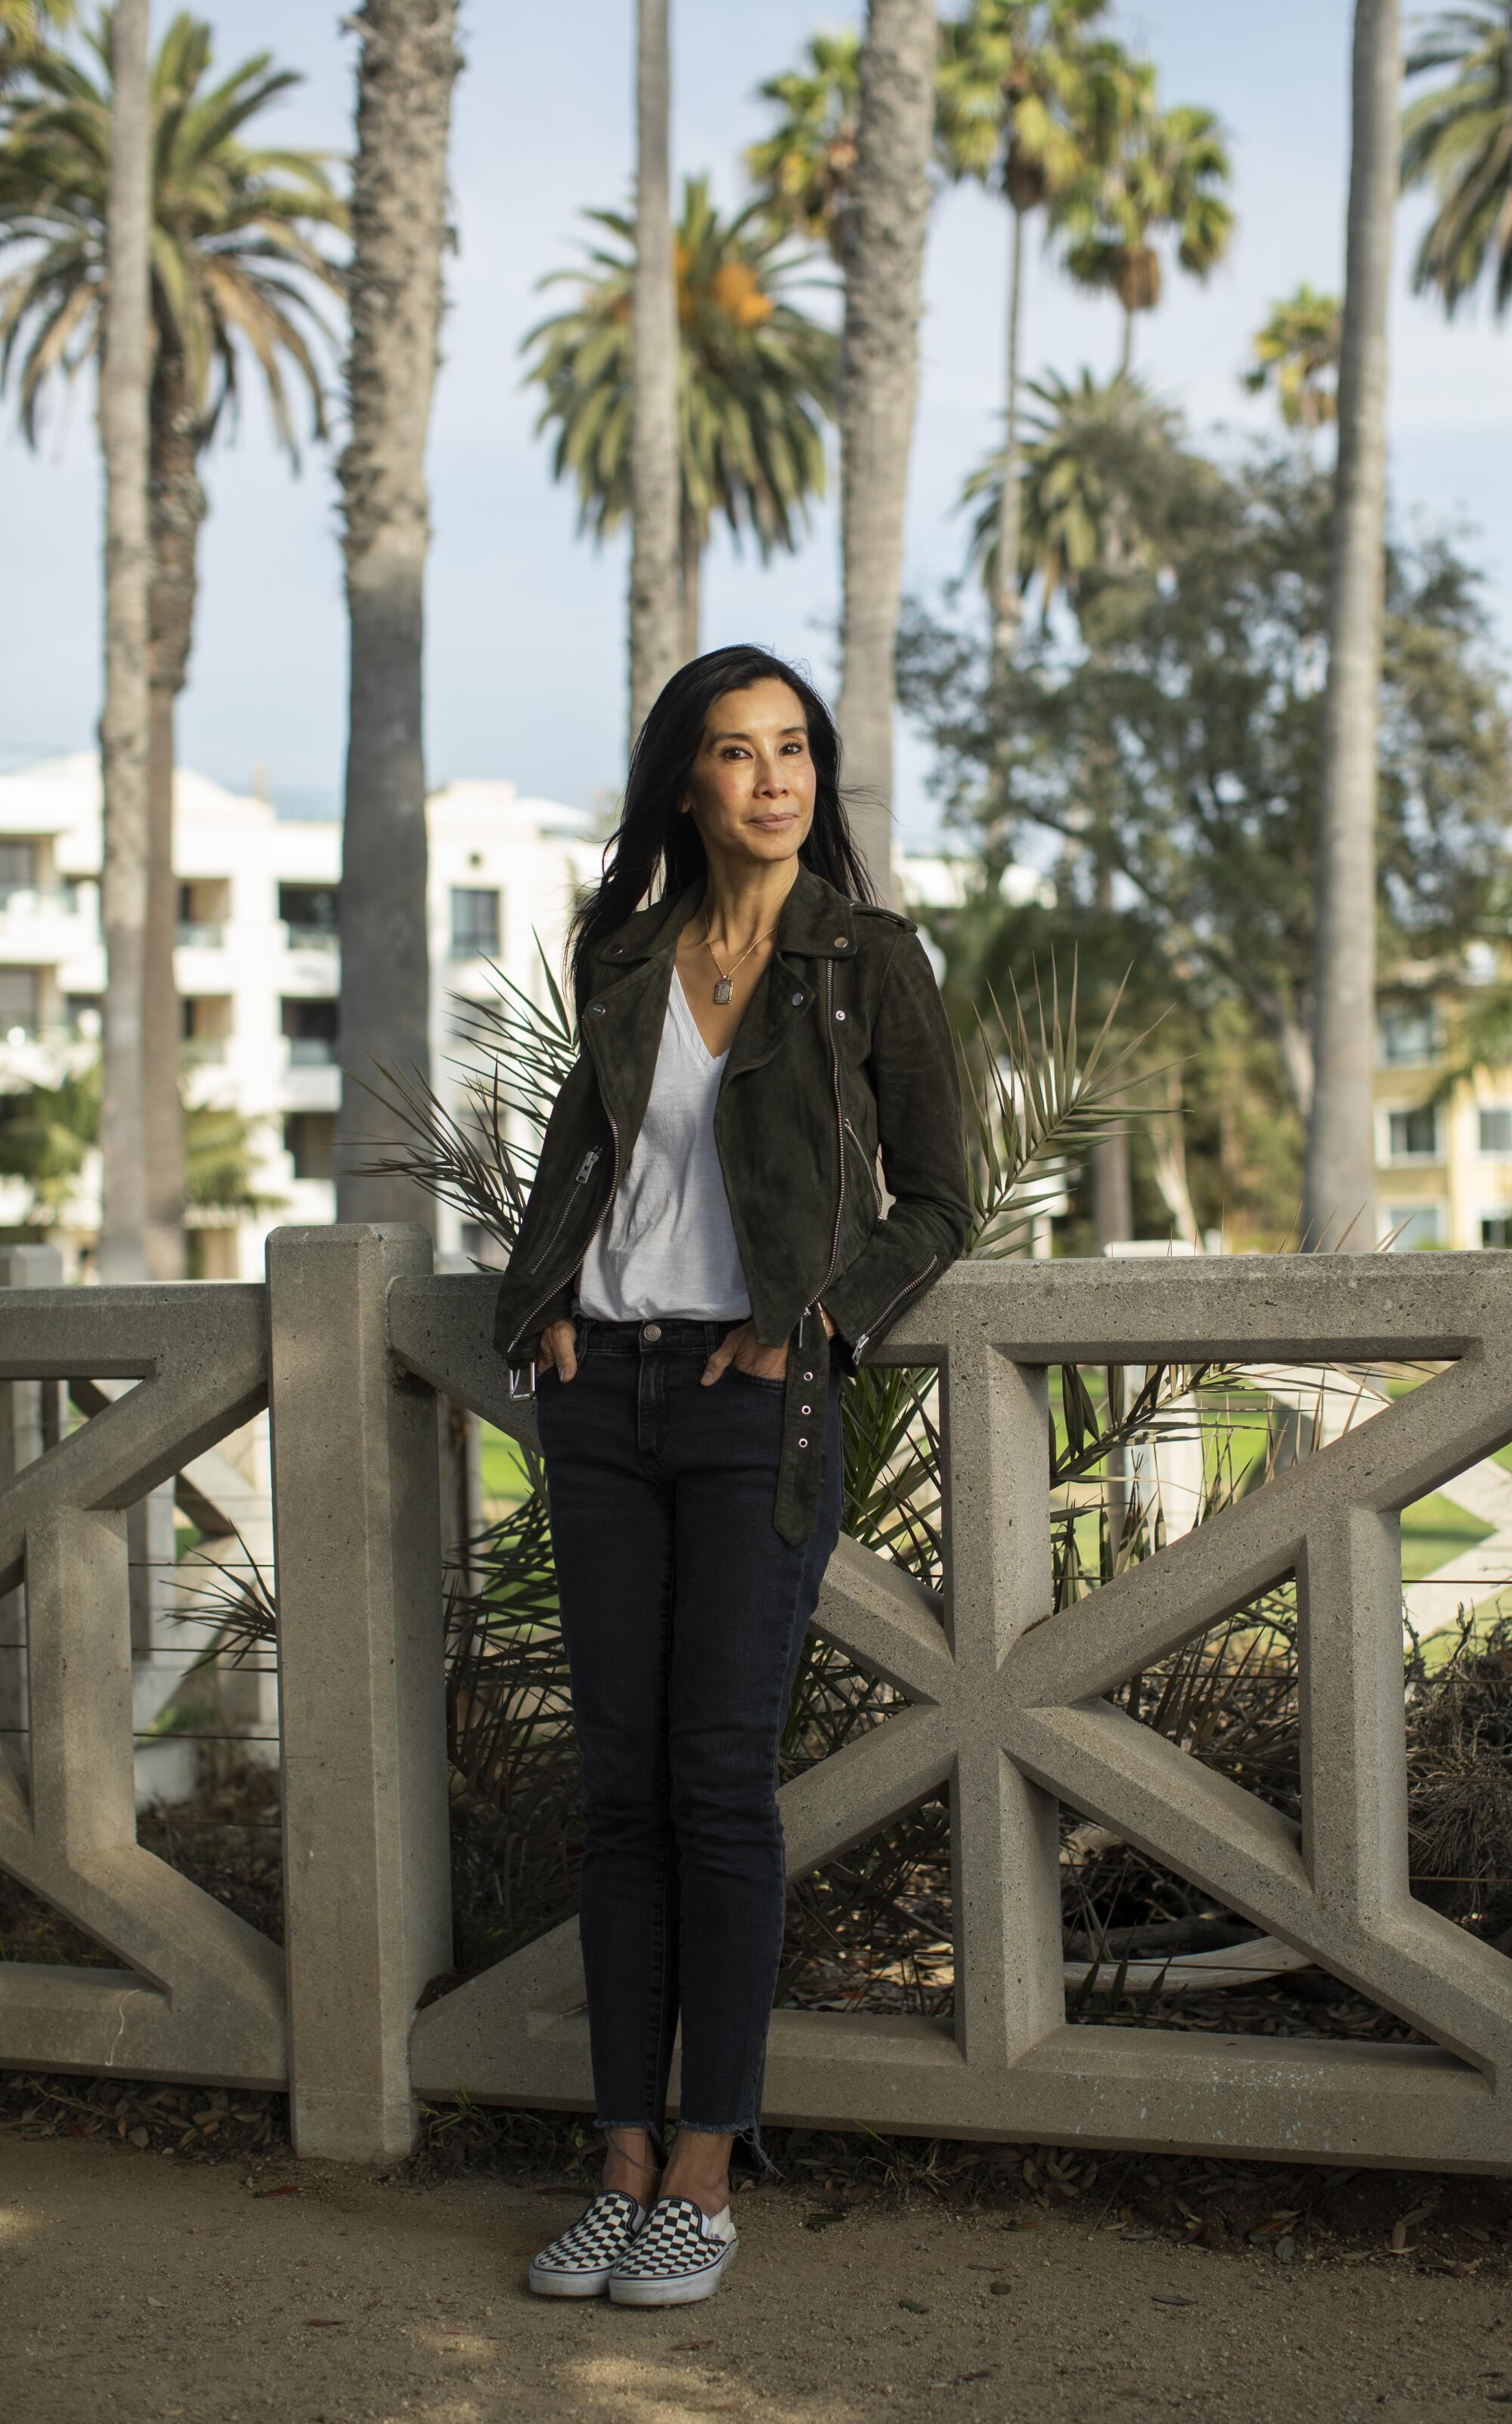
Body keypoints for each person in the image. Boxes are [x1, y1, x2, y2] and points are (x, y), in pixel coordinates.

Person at [494, 644, 970, 2308]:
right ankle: (618, 2159)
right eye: (734, 750)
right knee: (618, 1794)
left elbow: (939, 1197)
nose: (771, 778)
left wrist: (818, 1322)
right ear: (683, 783)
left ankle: (708, 2165)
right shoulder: (624, 953)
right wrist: (539, 1300)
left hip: (749, 1407)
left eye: (793, 751)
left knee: (713, 1785)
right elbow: (584, 1161)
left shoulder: (864, 961)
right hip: (601, 1401)